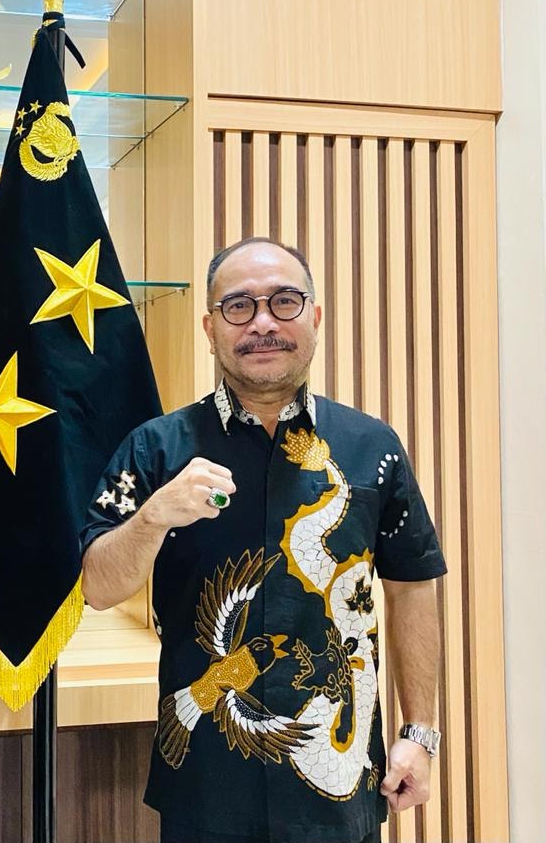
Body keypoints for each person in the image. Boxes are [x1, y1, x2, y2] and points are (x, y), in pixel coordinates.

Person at [80, 238, 446, 843]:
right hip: (203, 785)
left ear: (315, 317)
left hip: (340, 788)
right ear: (210, 328)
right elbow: (97, 587)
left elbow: (411, 585)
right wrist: (153, 516)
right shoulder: (156, 449)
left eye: (284, 302)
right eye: (239, 306)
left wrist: (419, 733)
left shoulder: (372, 447)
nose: (263, 324)